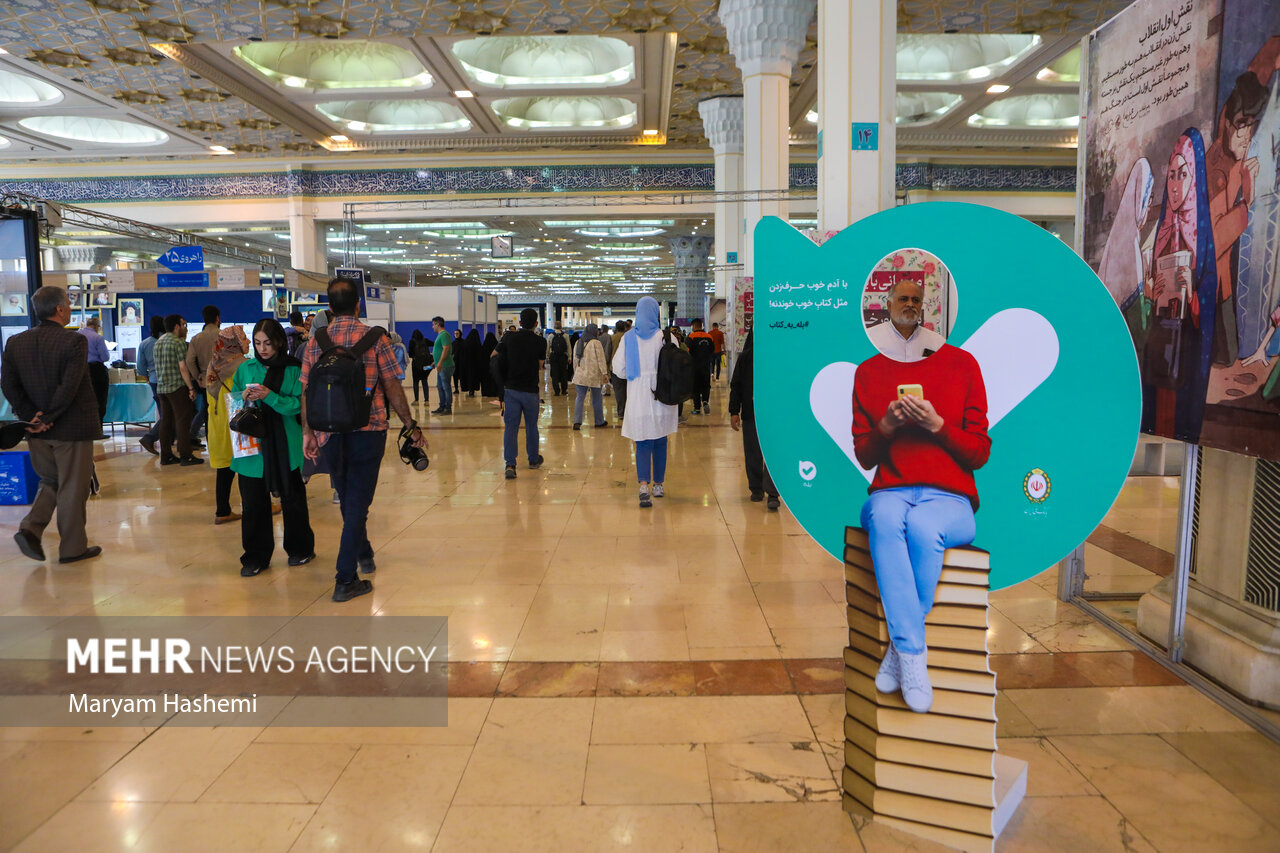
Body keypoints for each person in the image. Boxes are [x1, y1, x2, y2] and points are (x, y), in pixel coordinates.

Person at [851, 323, 991, 714]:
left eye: (917, 299)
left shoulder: (964, 365)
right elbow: (865, 455)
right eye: (902, 299)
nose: (910, 308)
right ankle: (913, 652)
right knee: (883, 516)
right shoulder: (869, 372)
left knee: (924, 526)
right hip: (890, 490)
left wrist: (937, 426)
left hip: (951, 500)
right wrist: (887, 426)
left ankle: (903, 652)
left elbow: (979, 452)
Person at [301, 277, 426, 602]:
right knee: (358, 504)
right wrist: (410, 423)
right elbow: (393, 387)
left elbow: (306, 389)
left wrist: (308, 432)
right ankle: (345, 579)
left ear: (329, 307)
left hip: (330, 432)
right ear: (359, 305)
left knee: (347, 497)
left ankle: (365, 551)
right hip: (368, 432)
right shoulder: (375, 339)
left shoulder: (317, 340)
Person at [2, 286, 102, 564]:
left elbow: (8, 384)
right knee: (73, 486)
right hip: (71, 428)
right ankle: (72, 548)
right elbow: (69, 387)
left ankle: (30, 528)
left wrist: (30, 416)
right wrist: (46, 417)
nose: (69, 309)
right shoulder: (74, 341)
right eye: (68, 305)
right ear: (59, 310)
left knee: (51, 480)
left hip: (34, 429)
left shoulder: (15, 342)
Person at [1142, 129, 1219, 443]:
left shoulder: (1202, 236)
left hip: (1186, 348)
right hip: (1160, 345)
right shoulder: (1161, 232)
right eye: (1171, 176)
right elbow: (1144, 288)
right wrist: (1151, 291)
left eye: (1182, 175)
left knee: (1178, 422)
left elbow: (1212, 294)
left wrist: (1196, 297)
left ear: (1195, 178)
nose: (1175, 186)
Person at [233, 319, 315, 577]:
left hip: (285, 446)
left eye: (268, 343)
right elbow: (233, 398)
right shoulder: (246, 368)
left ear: (279, 341)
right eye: (257, 343)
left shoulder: (294, 369)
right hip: (252, 449)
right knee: (253, 504)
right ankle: (256, 556)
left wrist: (269, 395)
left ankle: (300, 549)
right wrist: (242, 397)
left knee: (293, 501)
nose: (263, 348)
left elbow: (297, 406)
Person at [612, 297, 678, 508]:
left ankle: (643, 486)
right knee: (660, 441)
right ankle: (658, 484)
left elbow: (619, 369)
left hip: (639, 396)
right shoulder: (667, 337)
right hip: (664, 397)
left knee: (642, 442)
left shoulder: (629, 338)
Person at [729, 330, 778, 510]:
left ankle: (773, 493)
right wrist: (734, 411)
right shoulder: (746, 358)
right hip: (751, 413)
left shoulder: (777, 357)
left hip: (774, 414)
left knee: (774, 454)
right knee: (753, 452)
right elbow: (736, 385)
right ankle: (756, 488)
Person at [204, 325, 249, 525]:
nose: (247, 342)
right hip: (238, 421)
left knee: (225, 468)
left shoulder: (214, 364)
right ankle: (254, 505)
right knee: (248, 466)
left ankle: (222, 510)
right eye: (244, 338)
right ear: (235, 343)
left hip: (217, 422)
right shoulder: (242, 366)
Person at [497, 308, 546, 479]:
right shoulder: (541, 342)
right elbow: (540, 365)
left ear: (519, 322)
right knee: (531, 426)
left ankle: (510, 464)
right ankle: (533, 460)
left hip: (511, 389)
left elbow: (494, 355)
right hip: (530, 390)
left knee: (511, 427)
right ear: (536, 324)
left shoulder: (509, 338)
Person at [154, 313, 202, 466]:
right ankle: (185, 455)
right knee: (183, 420)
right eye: (184, 324)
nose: (185, 328)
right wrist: (190, 387)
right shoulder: (179, 343)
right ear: (176, 327)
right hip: (177, 387)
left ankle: (166, 455)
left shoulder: (158, 343)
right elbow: (183, 367)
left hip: (162, 388)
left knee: (166, 421)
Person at [867, 280, 945, 361]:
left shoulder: (938, 343)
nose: (910, 304)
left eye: (915, 300)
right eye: (903, 299)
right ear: (889, 305)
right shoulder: (871, 339)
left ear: (921, 306)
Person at [184, 305, 221, 444]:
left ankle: (211, 443)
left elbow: (189, 360)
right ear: (218, 318)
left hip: (206, 381)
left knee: (207, 413)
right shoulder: (225, 336)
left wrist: (197, 376)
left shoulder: (196, 338)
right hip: (224, 380)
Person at [136, 315, 165, 454]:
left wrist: (148, 378)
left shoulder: (144, 344)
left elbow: (140, 367)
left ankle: (166, 438)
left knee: (163, 411)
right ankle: (150, 437)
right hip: (167, 382)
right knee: (168, 414)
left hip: (153, 380)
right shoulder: (166, 342)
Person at [572, 323, 609, 430]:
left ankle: (577, 422)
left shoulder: (578, 342)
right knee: (597, 398)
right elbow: (601, 359)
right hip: (594, 375)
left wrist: (576, 371)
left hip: (581, 375)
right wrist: (604, 373)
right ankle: (599, 421)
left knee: (580, 398)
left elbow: (575, 359)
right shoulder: (596, 343)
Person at [78, 315, 109, 434]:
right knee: (100, 400)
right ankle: (98, 430)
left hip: (81, 369)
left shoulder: (77, 335)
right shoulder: (98, 338)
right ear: (97, 326)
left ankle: (85, 429)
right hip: (96, 371)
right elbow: (105, 357)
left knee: (84, 399)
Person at [687, 319, 716, 415]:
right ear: (701, 326)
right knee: (706, 385)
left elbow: (687, 351)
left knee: (695, 387)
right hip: (706, 366)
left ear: (693, 326)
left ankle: (697, 408)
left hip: (694, 367)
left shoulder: (691, 337)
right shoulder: (709, 337)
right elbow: (712, 350)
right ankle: (705, 401)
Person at [431, 317, 454, 414]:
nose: (432, 327)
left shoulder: (444, 335)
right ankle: (442, 406)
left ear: (437, 324)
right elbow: (441, 350)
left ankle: (447, 408)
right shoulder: (440, 335)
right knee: (440, 386)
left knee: (446, 387)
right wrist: (435, 362)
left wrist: (440, 362)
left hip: (445, 366)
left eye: (433, 324)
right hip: (441, 366)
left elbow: (446, 349)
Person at [609, 320, 628, 420]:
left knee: (619, 391)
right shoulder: (628, 337)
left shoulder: (612, 338)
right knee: (629, 390)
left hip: (614, 368)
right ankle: (629, 411)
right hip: (628, 367)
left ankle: (621, 412)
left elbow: (608, 352)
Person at [409, 328, 432, 405]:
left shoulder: (412, 341)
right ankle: (426, 400)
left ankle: (416, 400)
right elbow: (435, 344)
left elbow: (410, 354)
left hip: (416, 365)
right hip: (426, 365)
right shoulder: (425, 340)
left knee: (416, 382)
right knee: (424, 381)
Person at [548, 323, 571, 395]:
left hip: (554, 356)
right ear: (561, 327)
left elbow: (548, 347)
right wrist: (569, 357)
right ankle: (564, 390)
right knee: (564, 373)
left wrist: (548, 356)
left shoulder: (550, 336)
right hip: (563, 357)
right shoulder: (565, 336)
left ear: (554, 327)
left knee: (554, 374)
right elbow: (568, 346)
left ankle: (556, 391)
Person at [480, 331, 501, 398]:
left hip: (485, 368)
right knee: (494, 380)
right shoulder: (496, 347)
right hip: (495, 367)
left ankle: (486, 392)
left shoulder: (483, 347)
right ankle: (495, 392)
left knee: (486, 380)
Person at [464, 328, 483, 397]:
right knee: (474, 377)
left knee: (469, 377)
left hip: (467, 364)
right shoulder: (478, 343)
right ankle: (473, 390)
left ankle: (470, 390)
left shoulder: (466, 342)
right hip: (476, 365)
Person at [451, 329, 465, 394]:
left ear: (460, 334)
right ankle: (456, 388)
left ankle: (463, 387)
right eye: (455, 334)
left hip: (462, 362)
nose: (456, 335)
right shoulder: (453, 343)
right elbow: (451, 353)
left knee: (462, 375)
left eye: (457, 333)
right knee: (455, 376)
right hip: (455, 362)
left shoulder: (464, 342)